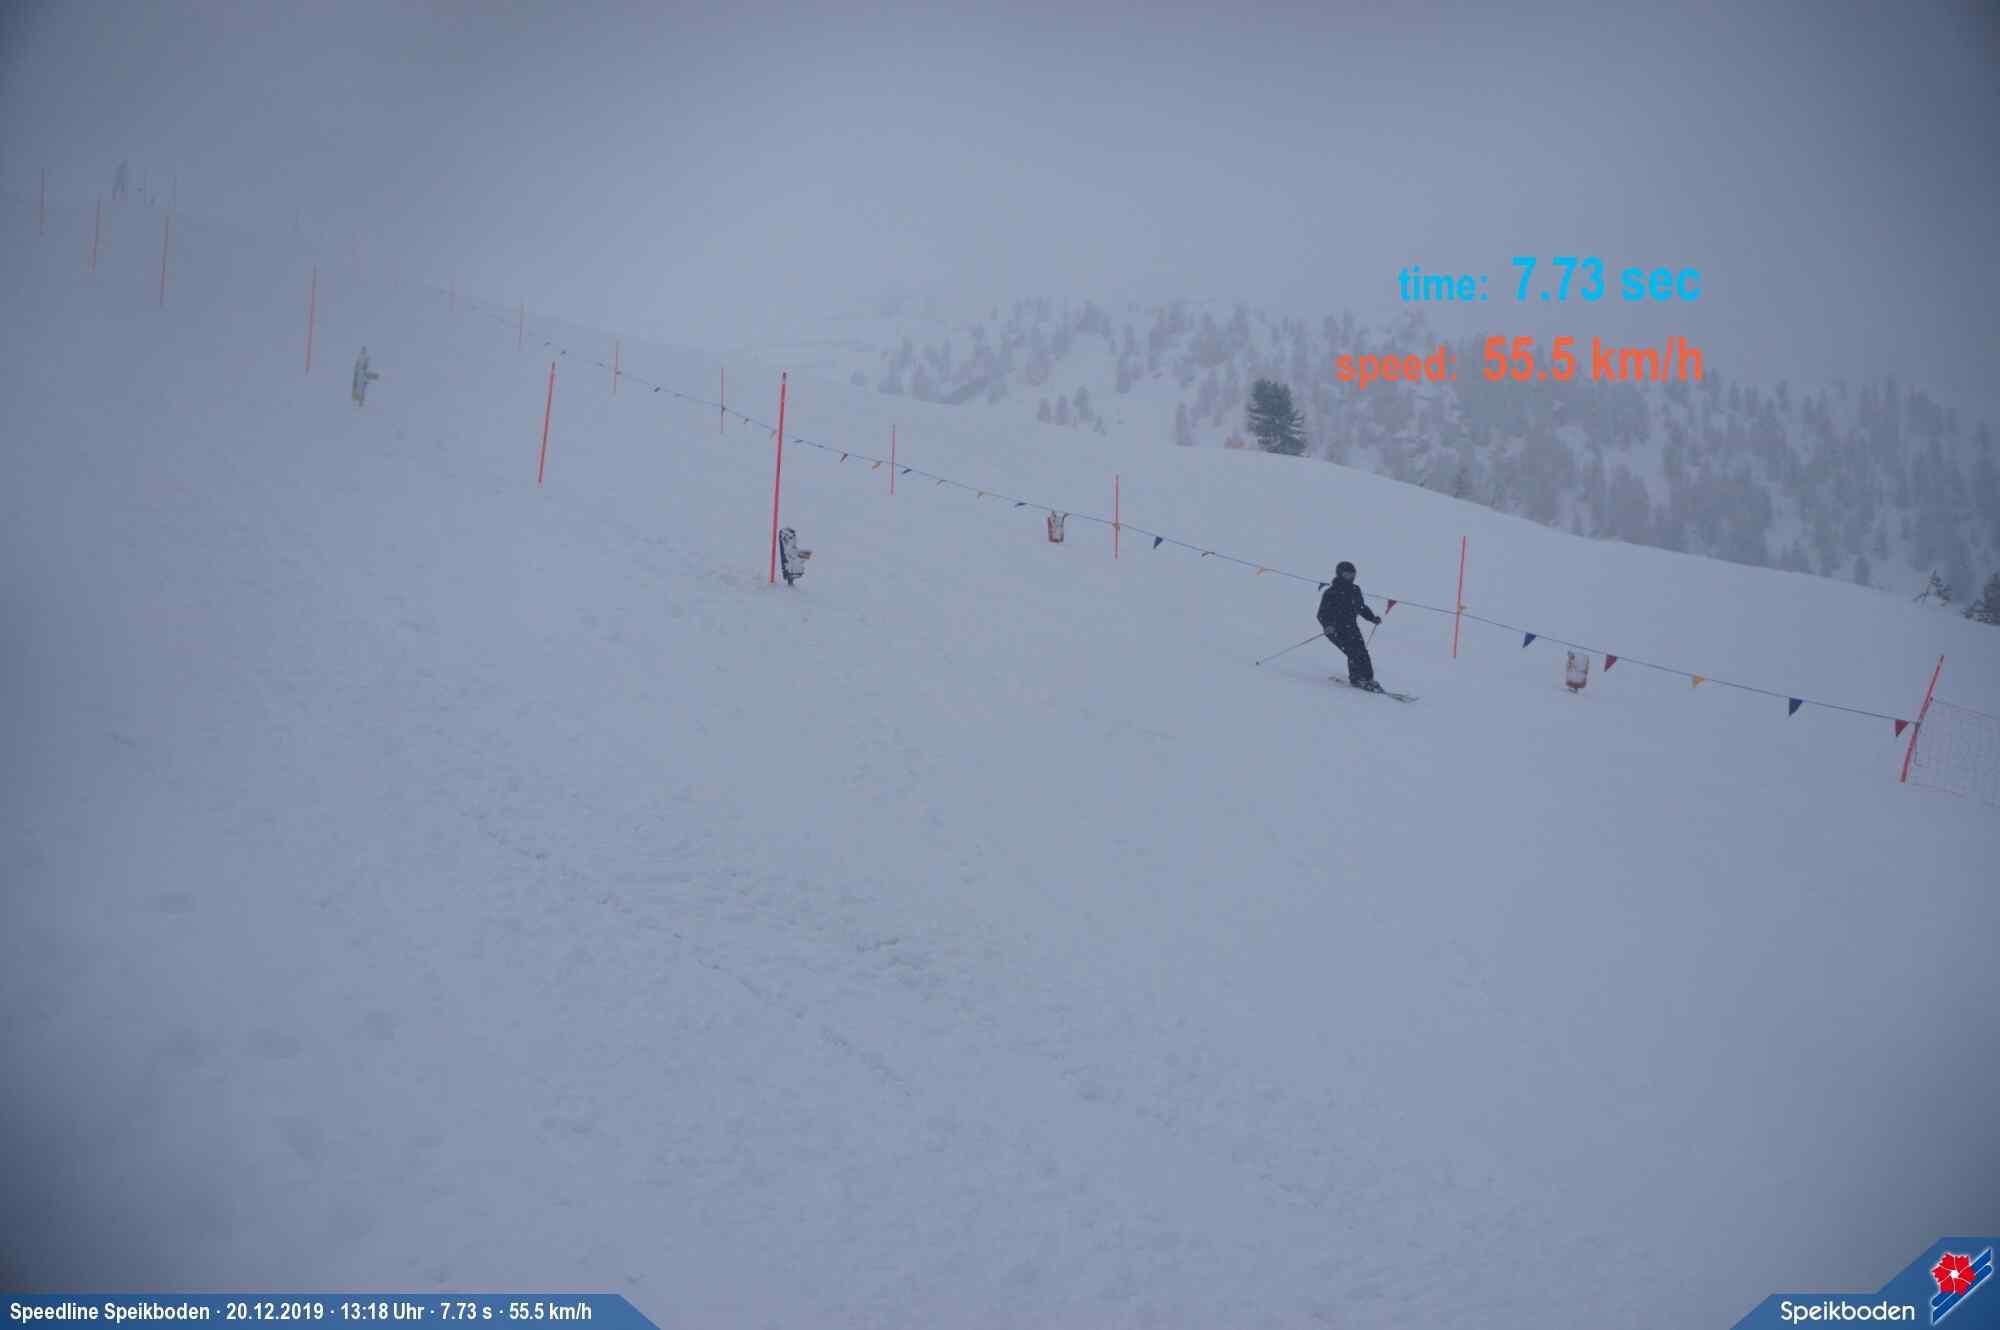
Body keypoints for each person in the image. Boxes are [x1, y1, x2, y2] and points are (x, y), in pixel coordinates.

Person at [1318, 560, 1383, 691]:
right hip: (1335, 629)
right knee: (1352, 652)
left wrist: (1372, 618)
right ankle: (1356, 679)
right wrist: (1327, 625)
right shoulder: (1331, 592)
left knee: (1362, 652)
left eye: (1353, 574)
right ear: (1340, 574)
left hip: (1351, 627)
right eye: (1347, 574)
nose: (1351, 577)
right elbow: (1322, 613)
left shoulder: (1355, 590)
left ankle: (1368, 678)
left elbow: (1361, 607)